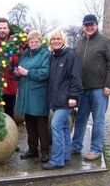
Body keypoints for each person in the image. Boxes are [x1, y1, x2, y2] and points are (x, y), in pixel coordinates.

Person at [71, 14, 110, 161]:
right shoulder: (78, 43)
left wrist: (109, 85)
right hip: (83, 89)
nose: (89, 27)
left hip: (99, 89)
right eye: (86, 25)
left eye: (92, 24)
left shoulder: (105, 41)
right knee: (80, 119)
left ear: (96, 25)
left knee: (98, 119)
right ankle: (75, 146)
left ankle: (96, 149)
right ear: (83, 27)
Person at [42, 30, 83, 170]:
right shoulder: (53, 56)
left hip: (66, 99)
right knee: (64, 127)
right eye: (53, 39)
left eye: (58, 38)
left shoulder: (70, 55)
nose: (55, 41)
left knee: (56, 125)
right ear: (50, 42)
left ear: (63, 40)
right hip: (56, 99)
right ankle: (65, 155)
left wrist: (74, 96)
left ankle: (57, 160)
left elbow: (76, 77)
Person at [14, 30, 50, 163]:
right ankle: (32, 149)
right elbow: (21, 70)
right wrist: (18, 73)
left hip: (38, 94)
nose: (33, 43)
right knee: (29, 123)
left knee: (41, 124)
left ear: (41, 42)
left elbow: (45, 72)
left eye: (36, 41)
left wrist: (27, 72)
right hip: (26, 93)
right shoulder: (25, 54)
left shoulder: (45, 54)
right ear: (28, 42)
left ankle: (45, 151)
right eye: (31, 41)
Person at [0, 18, 18, 120]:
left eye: (4, 28)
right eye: (0, 28)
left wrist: (12, 59)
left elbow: (19, 59)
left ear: (8, 29)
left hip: (10, 86)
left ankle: (9, 136)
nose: (2, 30)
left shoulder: (15, 43)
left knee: (9, 115)